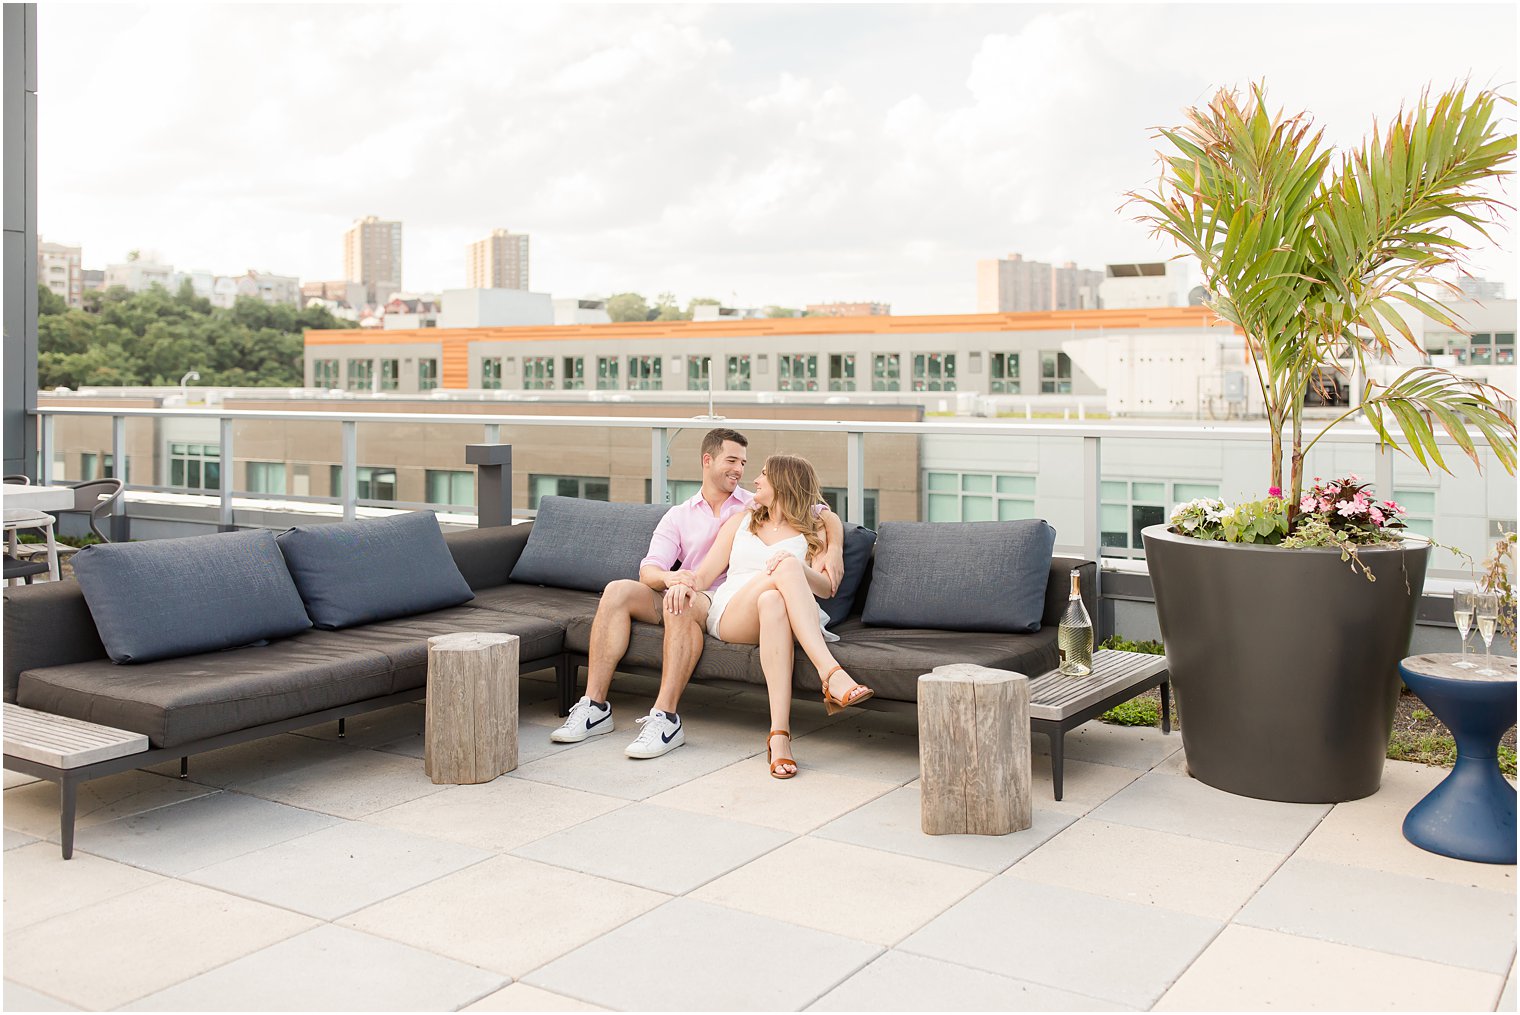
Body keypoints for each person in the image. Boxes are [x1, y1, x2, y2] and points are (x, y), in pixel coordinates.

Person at [551, 428, 844, 759]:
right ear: (708, 460)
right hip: (690, 588)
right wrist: (673, 579)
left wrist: (834, 547)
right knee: (619, 590)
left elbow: (814, 508)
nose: (740, 470)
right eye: (731, 460)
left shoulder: (754, 504)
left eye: (744, 463)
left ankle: (665, 717)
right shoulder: (679, 515)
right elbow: (649, 571)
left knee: (684, 604)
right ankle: (594, 707)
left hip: (723, 600)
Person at [665, 454, 874, 779]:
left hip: (786, 614)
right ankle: (830, 672)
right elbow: (705, 576)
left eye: (764, 475)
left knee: (774, 600)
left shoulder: (813, 529)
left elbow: (826, 588)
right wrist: (681, 582)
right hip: (735, 610)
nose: (756, 480)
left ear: (782, 483)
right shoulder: (741, 521)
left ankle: (779, 738)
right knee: (784, 570)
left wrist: (805, 564)